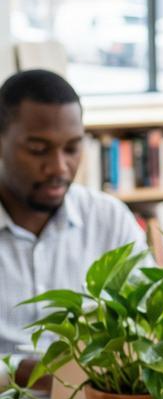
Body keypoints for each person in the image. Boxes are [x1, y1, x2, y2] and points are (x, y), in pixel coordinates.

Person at [0, 69, 145, 353]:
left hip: (101, 395)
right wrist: (30, 373)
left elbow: (148, 319)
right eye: (38, 149)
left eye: (72, 148)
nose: (59, 167)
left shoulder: (109, 219)